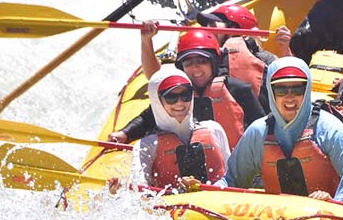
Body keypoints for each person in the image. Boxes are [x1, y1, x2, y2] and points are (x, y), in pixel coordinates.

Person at [193, 57, 343, 203]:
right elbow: (231, 180)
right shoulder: (258, 132)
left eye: (297, 89)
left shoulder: (329, 129)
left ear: (307, 90)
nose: (289, 96)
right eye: (281, 89)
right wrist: (202, 193)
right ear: (271, 91)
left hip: (327, 217)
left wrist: (335, 203)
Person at [109, 28, 265, 148]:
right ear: (181, 67)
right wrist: (125, 133)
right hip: (194, 158)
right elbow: (150, 117)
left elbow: (261, 127)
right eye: (188, 63)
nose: (195, 67)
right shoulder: (178, 91)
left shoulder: (238, 90)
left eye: (201, 60)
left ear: (214, 62)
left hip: (234, 159)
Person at [109, 66, 230, 194]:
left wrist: (206, 188)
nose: (180, 103)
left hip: (221, 203)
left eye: (185, 95)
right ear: (157, 101)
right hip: (174, 208)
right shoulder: (147, 146)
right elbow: (142, 194)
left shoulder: (214, 129)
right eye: (171, 97)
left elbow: (233, 178)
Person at [196, 3, 276, 97]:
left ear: (234, 29)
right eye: (207, 25)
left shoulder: (266, 60)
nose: (208, 29)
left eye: (213, 24)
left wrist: (285, 49)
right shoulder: (205, 61)